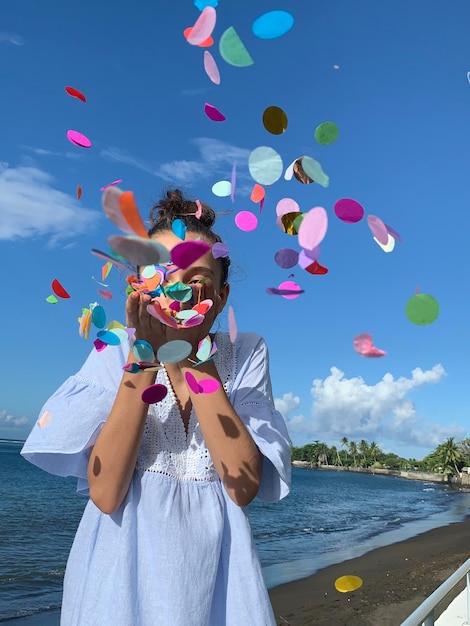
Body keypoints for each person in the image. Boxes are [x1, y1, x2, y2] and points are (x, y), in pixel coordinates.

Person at [21, 189, 292, 626]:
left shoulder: (245, 352)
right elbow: (106, 493)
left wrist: (191, 354)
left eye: (198, 278)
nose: (180, 289)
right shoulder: (115, 352)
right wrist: (144, 357)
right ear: (142, 283)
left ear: (221, 298)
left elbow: (241, 487)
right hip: (117, 581)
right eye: (164, 274)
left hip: (217, 583)